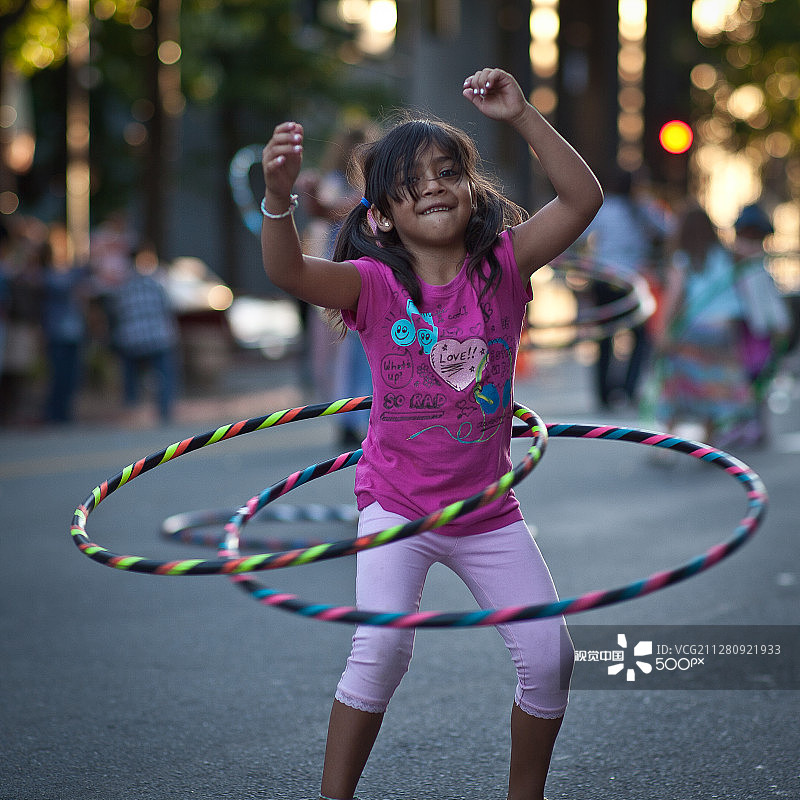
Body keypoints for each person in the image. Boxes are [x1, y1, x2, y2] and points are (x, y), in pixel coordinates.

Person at [260, 68, 602, 800]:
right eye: (412, 182)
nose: (436, 186)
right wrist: (276, 197)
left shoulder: (504, 267)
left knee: (550, 658)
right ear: (382, 216)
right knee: (380, 649)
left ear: (472, 190)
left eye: (450, 172)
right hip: (397, 507)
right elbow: (286, 269)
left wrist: (522, 115)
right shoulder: (371, 286)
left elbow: (583, 199)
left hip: (487, 510)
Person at [654, 204, 755, 447]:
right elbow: (752, 260)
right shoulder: (725, 254)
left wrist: (664, 329)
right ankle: (709, 442)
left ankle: (666, 444)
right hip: (724, 329)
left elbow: (675, 295)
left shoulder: (684, 257)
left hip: (695, 330)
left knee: (679, 384)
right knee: (714, 384)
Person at [580, 167, 672, 409]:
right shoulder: (643, 208)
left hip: (603, 278)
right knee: (640, 337)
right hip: (631, 282)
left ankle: (605, 394)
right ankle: (628, 389)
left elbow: (578, 232)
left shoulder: (605, 208)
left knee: (605, 337)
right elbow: (670, 229)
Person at [731, 203, 792, 445]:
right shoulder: (736, 265)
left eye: (756, 238)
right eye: (746, 237)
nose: (750, 245)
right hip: (743, 330)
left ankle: (758, 426)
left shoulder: (760, 269)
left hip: (761, 332)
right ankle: (744, 424)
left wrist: (781, 325)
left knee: (759, 379)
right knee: (742, 379)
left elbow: (770, 303)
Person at [106, 245, 180, 424]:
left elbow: (114, 312)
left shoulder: (122, 287)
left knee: (130, 378)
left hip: (131, 339)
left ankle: (132, 411)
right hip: (158, 337)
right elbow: (168, 307)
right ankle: (164, 411)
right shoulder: (156, 283)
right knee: (164, 375)